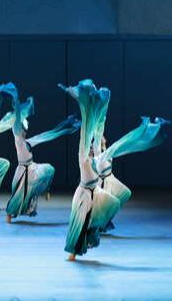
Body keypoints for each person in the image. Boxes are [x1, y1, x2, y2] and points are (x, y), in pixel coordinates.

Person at [0, 83, 81, 222]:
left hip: (31, 168)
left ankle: (44, 191)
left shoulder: (28, 141)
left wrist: (67, 125)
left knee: (49, 169)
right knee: (19, 194)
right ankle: (10, 213)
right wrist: (17, 104)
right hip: (23, 171)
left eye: (25, 130)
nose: (24, 132)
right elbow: (17, 124)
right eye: (23, 130)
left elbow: (50, 134)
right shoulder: (18, 139)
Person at [59, 79, 120, 260]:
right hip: (84, 194)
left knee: (113, 204)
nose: (96, 147)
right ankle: (73, 252)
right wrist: (85, 107)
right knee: (80, 223)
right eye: (94, 146)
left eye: (98, 146)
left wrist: (102, 113)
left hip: (96, 193)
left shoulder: (99, 157)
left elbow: (98, 134)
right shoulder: (84, 157)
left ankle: (94, 230)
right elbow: (86, 137)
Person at [96, 117, 170, 231]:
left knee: (125, 193)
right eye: (101, 137)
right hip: (102, 181)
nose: (103, 138)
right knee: (110, 203)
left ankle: (151, 127)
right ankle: (101, 222)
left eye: (103, 137)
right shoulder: (98, 153)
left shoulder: (109, 150)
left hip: (110, 178)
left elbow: (130, 142)